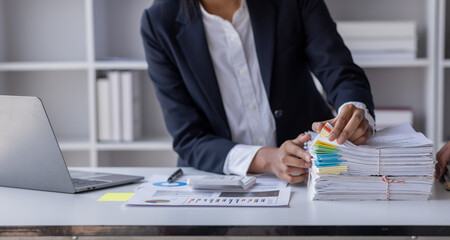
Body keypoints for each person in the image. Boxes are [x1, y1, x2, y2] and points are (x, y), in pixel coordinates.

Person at [140, 0, 375, 183]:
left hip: (311, 173)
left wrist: (354, 110)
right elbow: (188, 137)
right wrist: (268, 159)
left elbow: (339, 69)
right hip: (221, 179)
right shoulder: (159, 22)